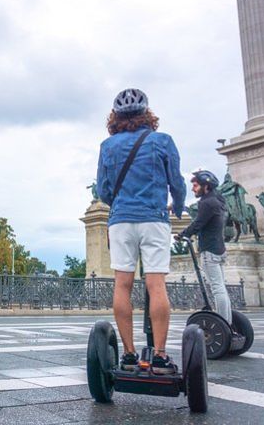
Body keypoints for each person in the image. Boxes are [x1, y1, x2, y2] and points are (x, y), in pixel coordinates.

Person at [96, 88, 186, 375]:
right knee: (155, 284)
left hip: (121, 221)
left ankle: (129, 355)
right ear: (147, 114)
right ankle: (159, 356)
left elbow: (104, 190)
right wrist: (179, 206)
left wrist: (121, 205)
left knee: (122, 284)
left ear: (115, 117)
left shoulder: (107, 146)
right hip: (154, 218)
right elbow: (177, 183)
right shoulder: (162, 141)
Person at [176, 170, 232, 325]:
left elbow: (198, 224)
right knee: (222, 288)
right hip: (220, 250)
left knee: (217, 289)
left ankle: (223, 323)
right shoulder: (218, 201)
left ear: (205, 186)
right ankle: (228, 321)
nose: (193, 189)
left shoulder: (206, 203)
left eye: (195, 185)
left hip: (209, 251)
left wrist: (181, 234)